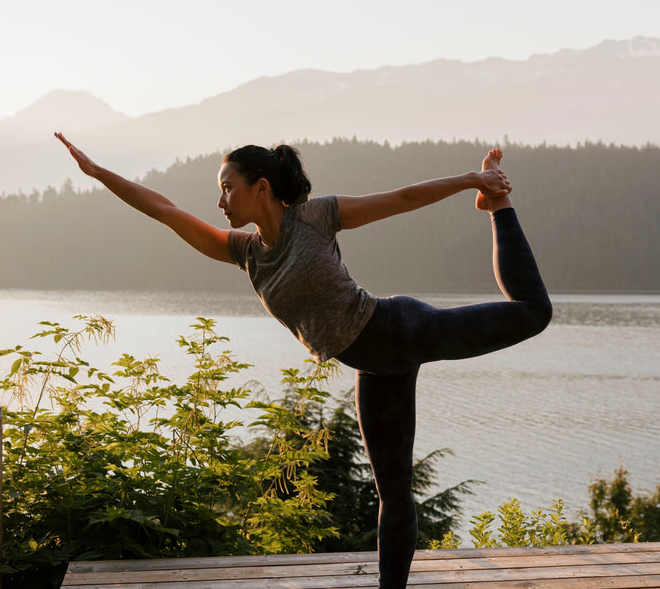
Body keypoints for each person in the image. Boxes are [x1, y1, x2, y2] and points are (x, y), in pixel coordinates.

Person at [56, 133, 551, 588]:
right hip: (376, 366)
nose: (220, 201)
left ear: (261, 188)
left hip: (403, 330)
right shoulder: (245, 253)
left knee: (534, 312)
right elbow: (164, 209)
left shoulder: (315, 218)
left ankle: (497, 205)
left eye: (228, 189)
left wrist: (474, 180)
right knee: (394, 490)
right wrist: (99, 174)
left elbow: (400, 199)